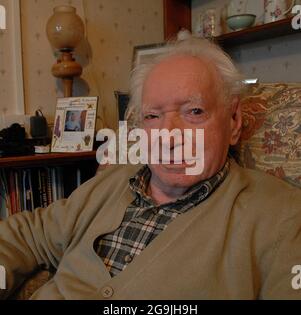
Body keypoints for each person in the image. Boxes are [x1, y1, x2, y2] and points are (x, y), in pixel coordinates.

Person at [0, 37, 300, 300]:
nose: (169, 136)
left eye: (194, 111)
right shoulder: (115, 180)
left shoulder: (281, 216)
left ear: (233, 120)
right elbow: (29, 233)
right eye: (153, 116)